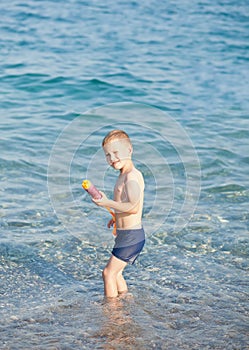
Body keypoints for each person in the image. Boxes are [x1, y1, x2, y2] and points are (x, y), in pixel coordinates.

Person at [92, 129, 145, 298]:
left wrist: (107, 202)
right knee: (117, 273)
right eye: (107, 155)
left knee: (108, 273)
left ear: (129, 150)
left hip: (132, 236)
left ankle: (112, 314)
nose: (112, 159)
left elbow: (133, 207)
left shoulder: (131, 177)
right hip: (125, 235)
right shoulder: (123, 175)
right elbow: (125, 206)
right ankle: (124, 300)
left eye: (116, 153)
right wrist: (115, 216)